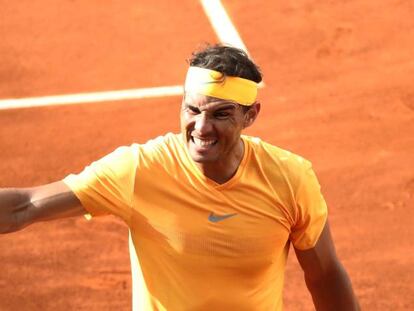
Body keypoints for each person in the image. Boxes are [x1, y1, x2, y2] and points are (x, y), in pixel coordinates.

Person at [0, 44, 359, 310]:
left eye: (221, 114)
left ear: (251, 116)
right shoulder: (140, 169)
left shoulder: (290, 179)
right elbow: (25, 205)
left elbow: (324, 274)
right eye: (192, 109)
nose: (202, 127)